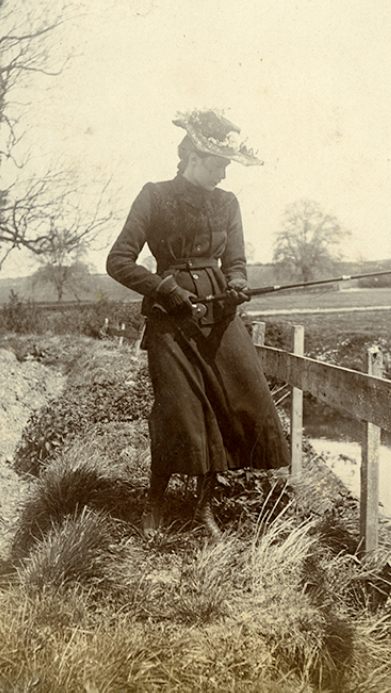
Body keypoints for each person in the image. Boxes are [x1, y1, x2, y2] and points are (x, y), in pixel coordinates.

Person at [106, 109, 290, 540]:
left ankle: (202, 508)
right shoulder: (154, 196)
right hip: (171, 320)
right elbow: (118, 261)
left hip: (221, 320)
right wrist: (166, 291)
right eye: (217, 163)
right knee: (179, 413)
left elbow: (237, 261)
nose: (224, 173)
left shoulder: (227, 203)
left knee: (237, 404)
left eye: (227, 164)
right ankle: (154, 500)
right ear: (192, 156)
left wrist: (238, 284)